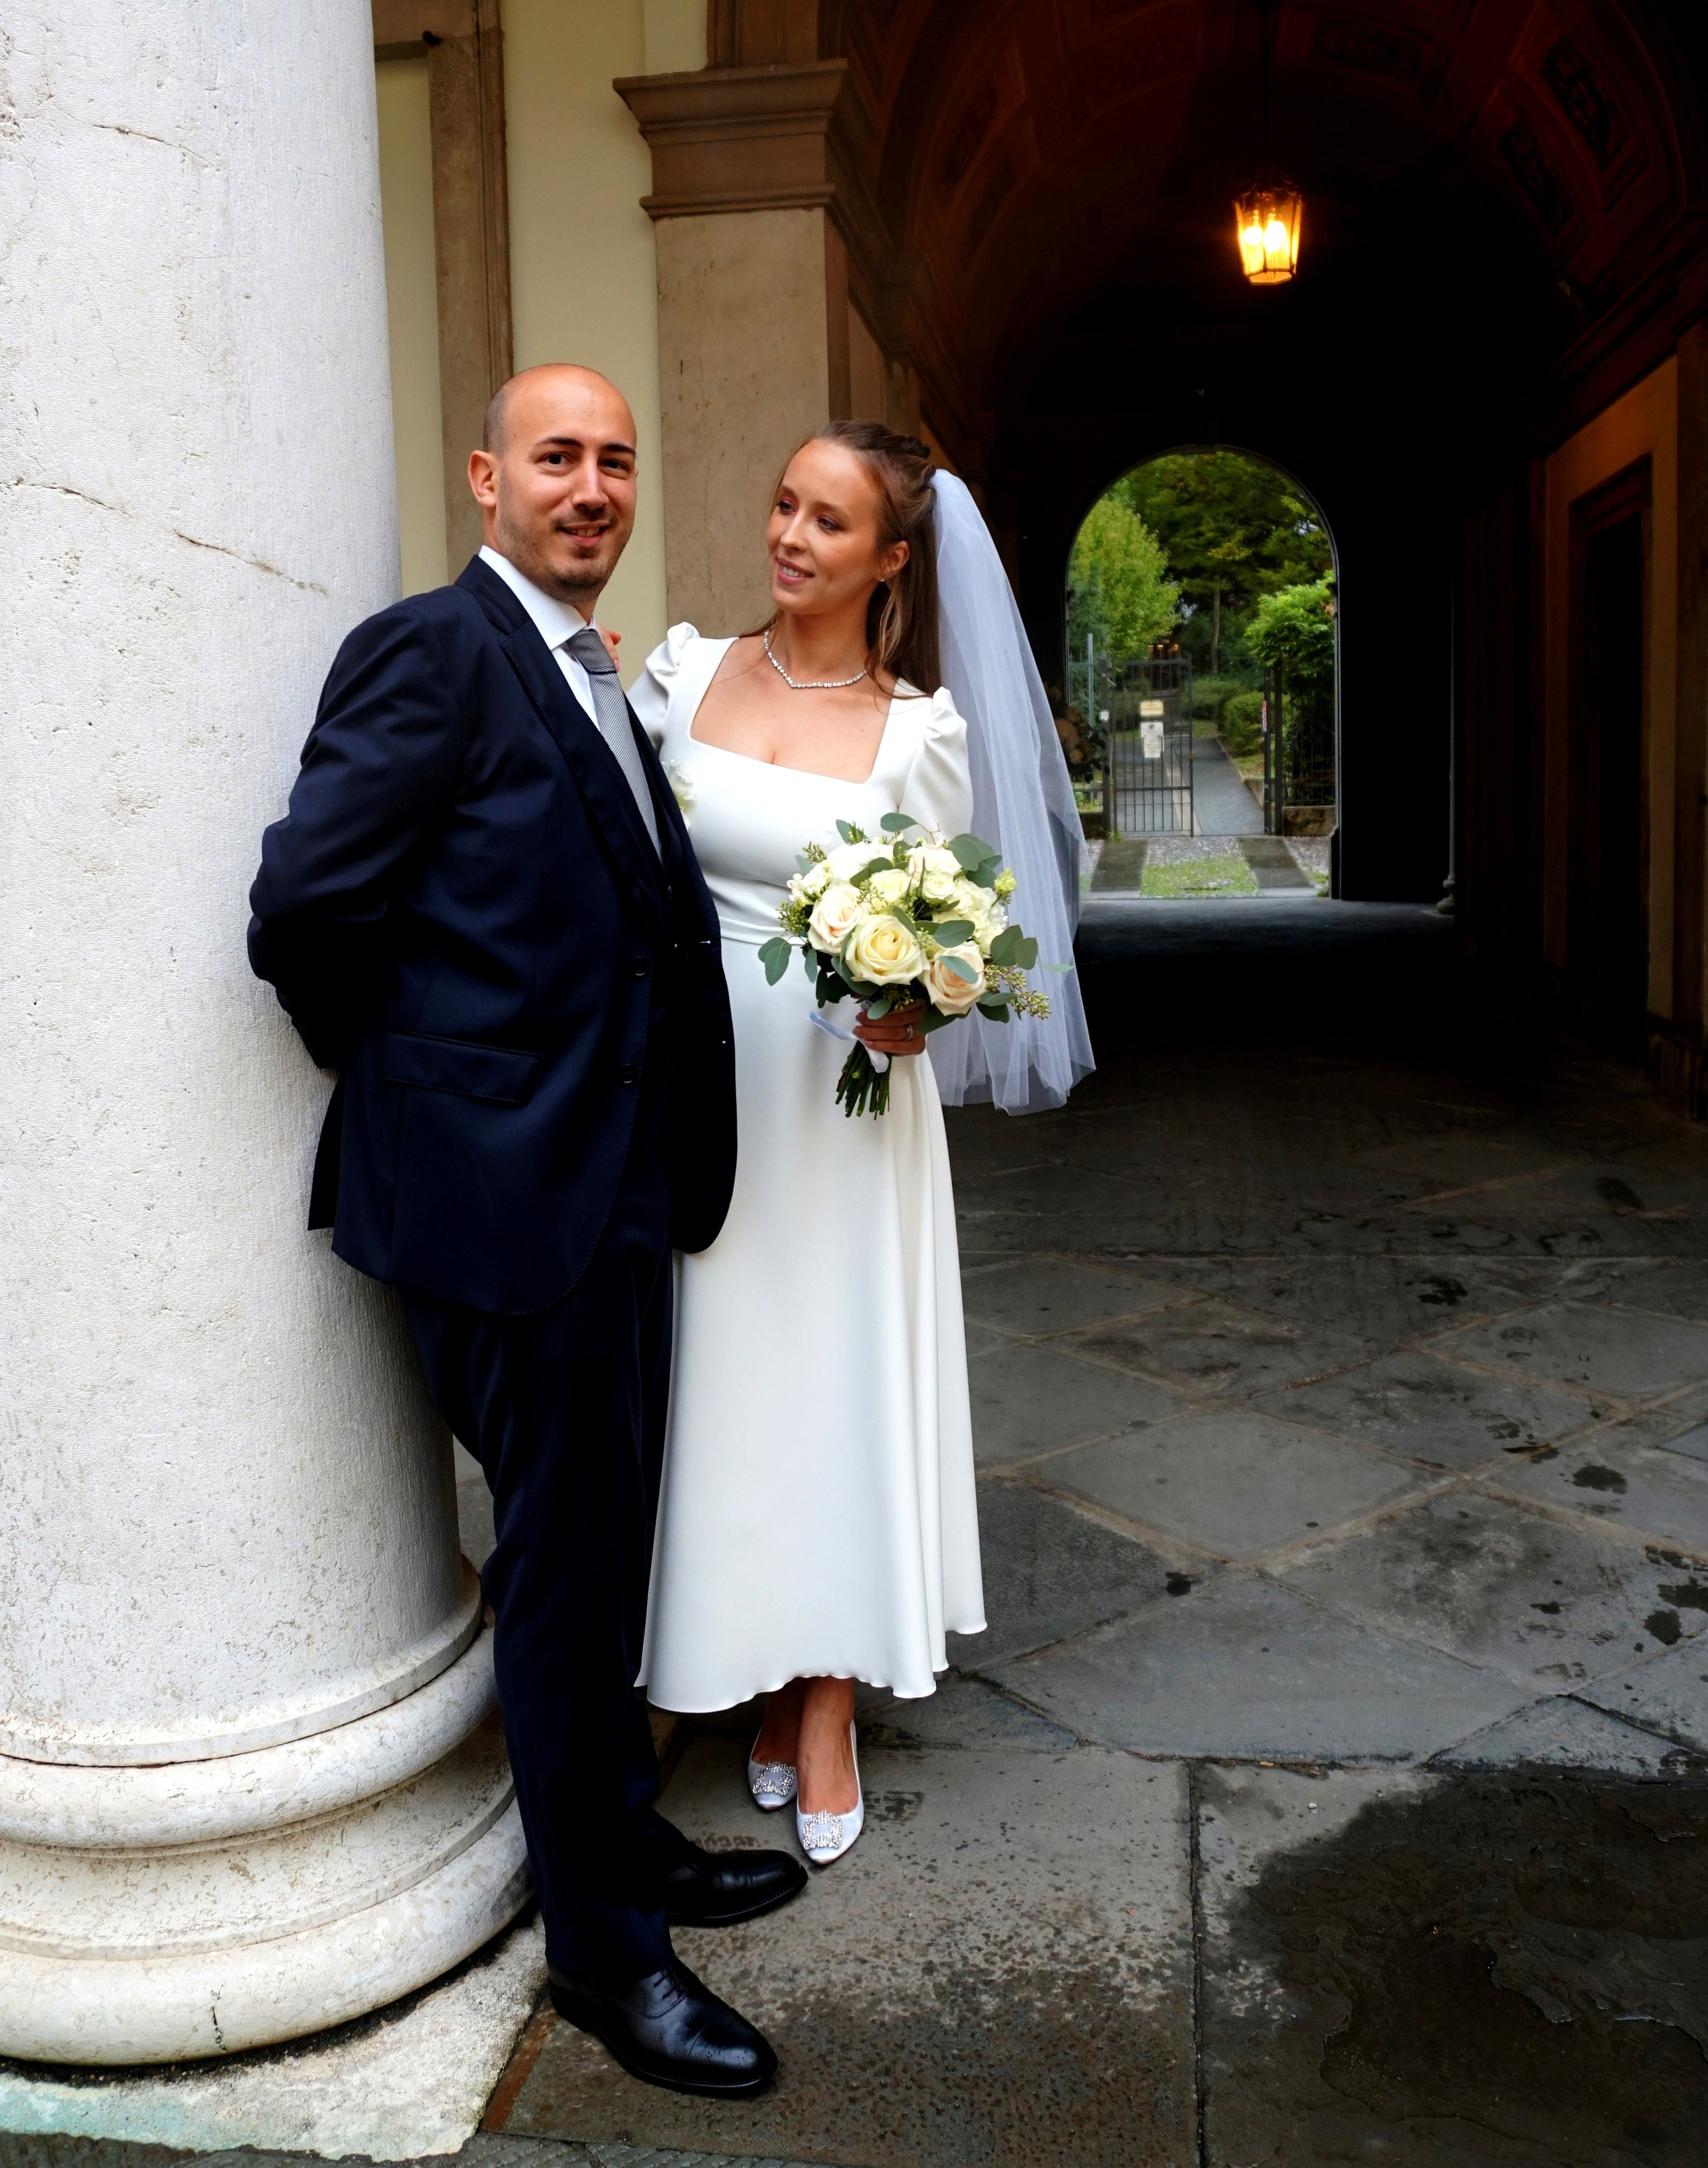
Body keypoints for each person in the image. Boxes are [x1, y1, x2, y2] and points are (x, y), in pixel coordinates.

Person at [247, 364, 804, 2100]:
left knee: (604, 1538)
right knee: (560, 1578)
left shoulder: (588, 668)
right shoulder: (431, 648)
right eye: (556, 457)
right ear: (486, 477)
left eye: (615, 460)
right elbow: (303, 909)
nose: (590, 486)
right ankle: (602, 1956)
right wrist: (437, 1086)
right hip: (507, 1198)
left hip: (619, 1187)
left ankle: (620, 1841)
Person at [627, 423, 1091, 1865]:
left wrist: (917, 998)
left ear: (889, 559)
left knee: (829, 1380)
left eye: (827, 522)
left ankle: (821, 1697)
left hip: (837, 1107)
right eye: (780, 503)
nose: (789, 536)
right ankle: (736, 1660)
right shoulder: (679, 674)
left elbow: (948, 933)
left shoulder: (917, 736)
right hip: (689, 1095)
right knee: (714, 1381)